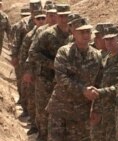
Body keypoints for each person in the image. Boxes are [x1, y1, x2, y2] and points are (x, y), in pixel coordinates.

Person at [46, 18, 102, 141]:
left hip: (82, 113)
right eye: (82, 32)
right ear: (73, 33)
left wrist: (96, 109)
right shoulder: (64, 52)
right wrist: (82, 90)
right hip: (60, 109)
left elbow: (99, 84)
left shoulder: (97, 56)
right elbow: (61, 78)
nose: (86, 35)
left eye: (88, 31)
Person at [28, 4, 71, 140]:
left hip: (66, 79)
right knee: (44, 111)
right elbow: (33, 52)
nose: (64, 19)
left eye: (66, 16)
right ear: (56, 17)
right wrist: (52, 64)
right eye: (61, 16)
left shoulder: (74, 33)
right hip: (46, 78)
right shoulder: (46, 34)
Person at [88, 26, 118, 141]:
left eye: (111, 39)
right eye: (106, 39)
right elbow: (99, 84)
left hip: (116, 112)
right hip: (103, 110)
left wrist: (100, 92)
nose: (108, 42)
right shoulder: (106, 58)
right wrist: (94, 108)